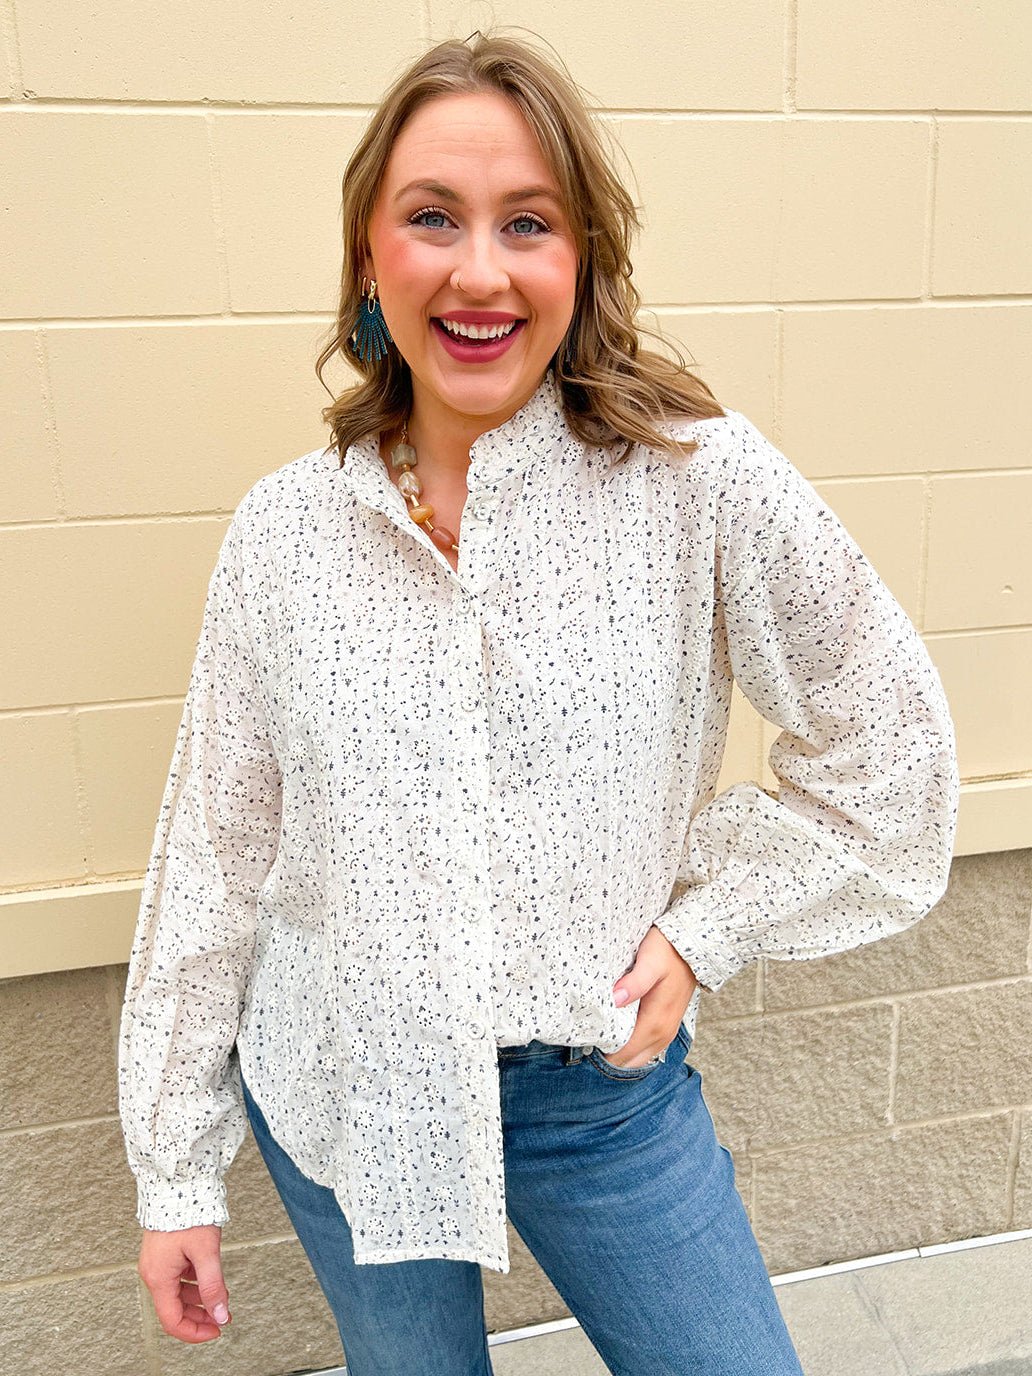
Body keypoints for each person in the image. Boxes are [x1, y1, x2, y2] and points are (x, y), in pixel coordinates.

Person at [118, 29, 960, 1376]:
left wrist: (705, 929)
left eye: (528, 222)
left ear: (583, 260)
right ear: (368, 256)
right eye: (431, 217)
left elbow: (890, 748)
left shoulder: (695, 483)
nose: (479, 270)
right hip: (347, 1086)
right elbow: (214, 857)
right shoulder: (284, 536)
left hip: (598, 1098)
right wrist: (175, 1174)